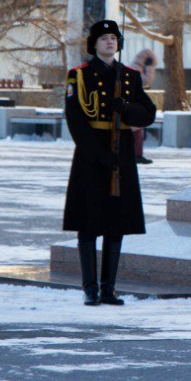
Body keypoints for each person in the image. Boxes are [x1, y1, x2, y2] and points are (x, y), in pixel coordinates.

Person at [63, 20, 157, 306]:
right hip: (92, 156)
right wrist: (100, 155)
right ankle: (90, 288)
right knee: (90, 223)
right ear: (94, 44)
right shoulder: (78, 76)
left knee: (116, 224)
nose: (109, 42)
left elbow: (148, 113)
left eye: (113, 38)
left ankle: (109, 288)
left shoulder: (129, 76)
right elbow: (77, 121)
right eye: (103, 38)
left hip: (121, 154)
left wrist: (127, 109)